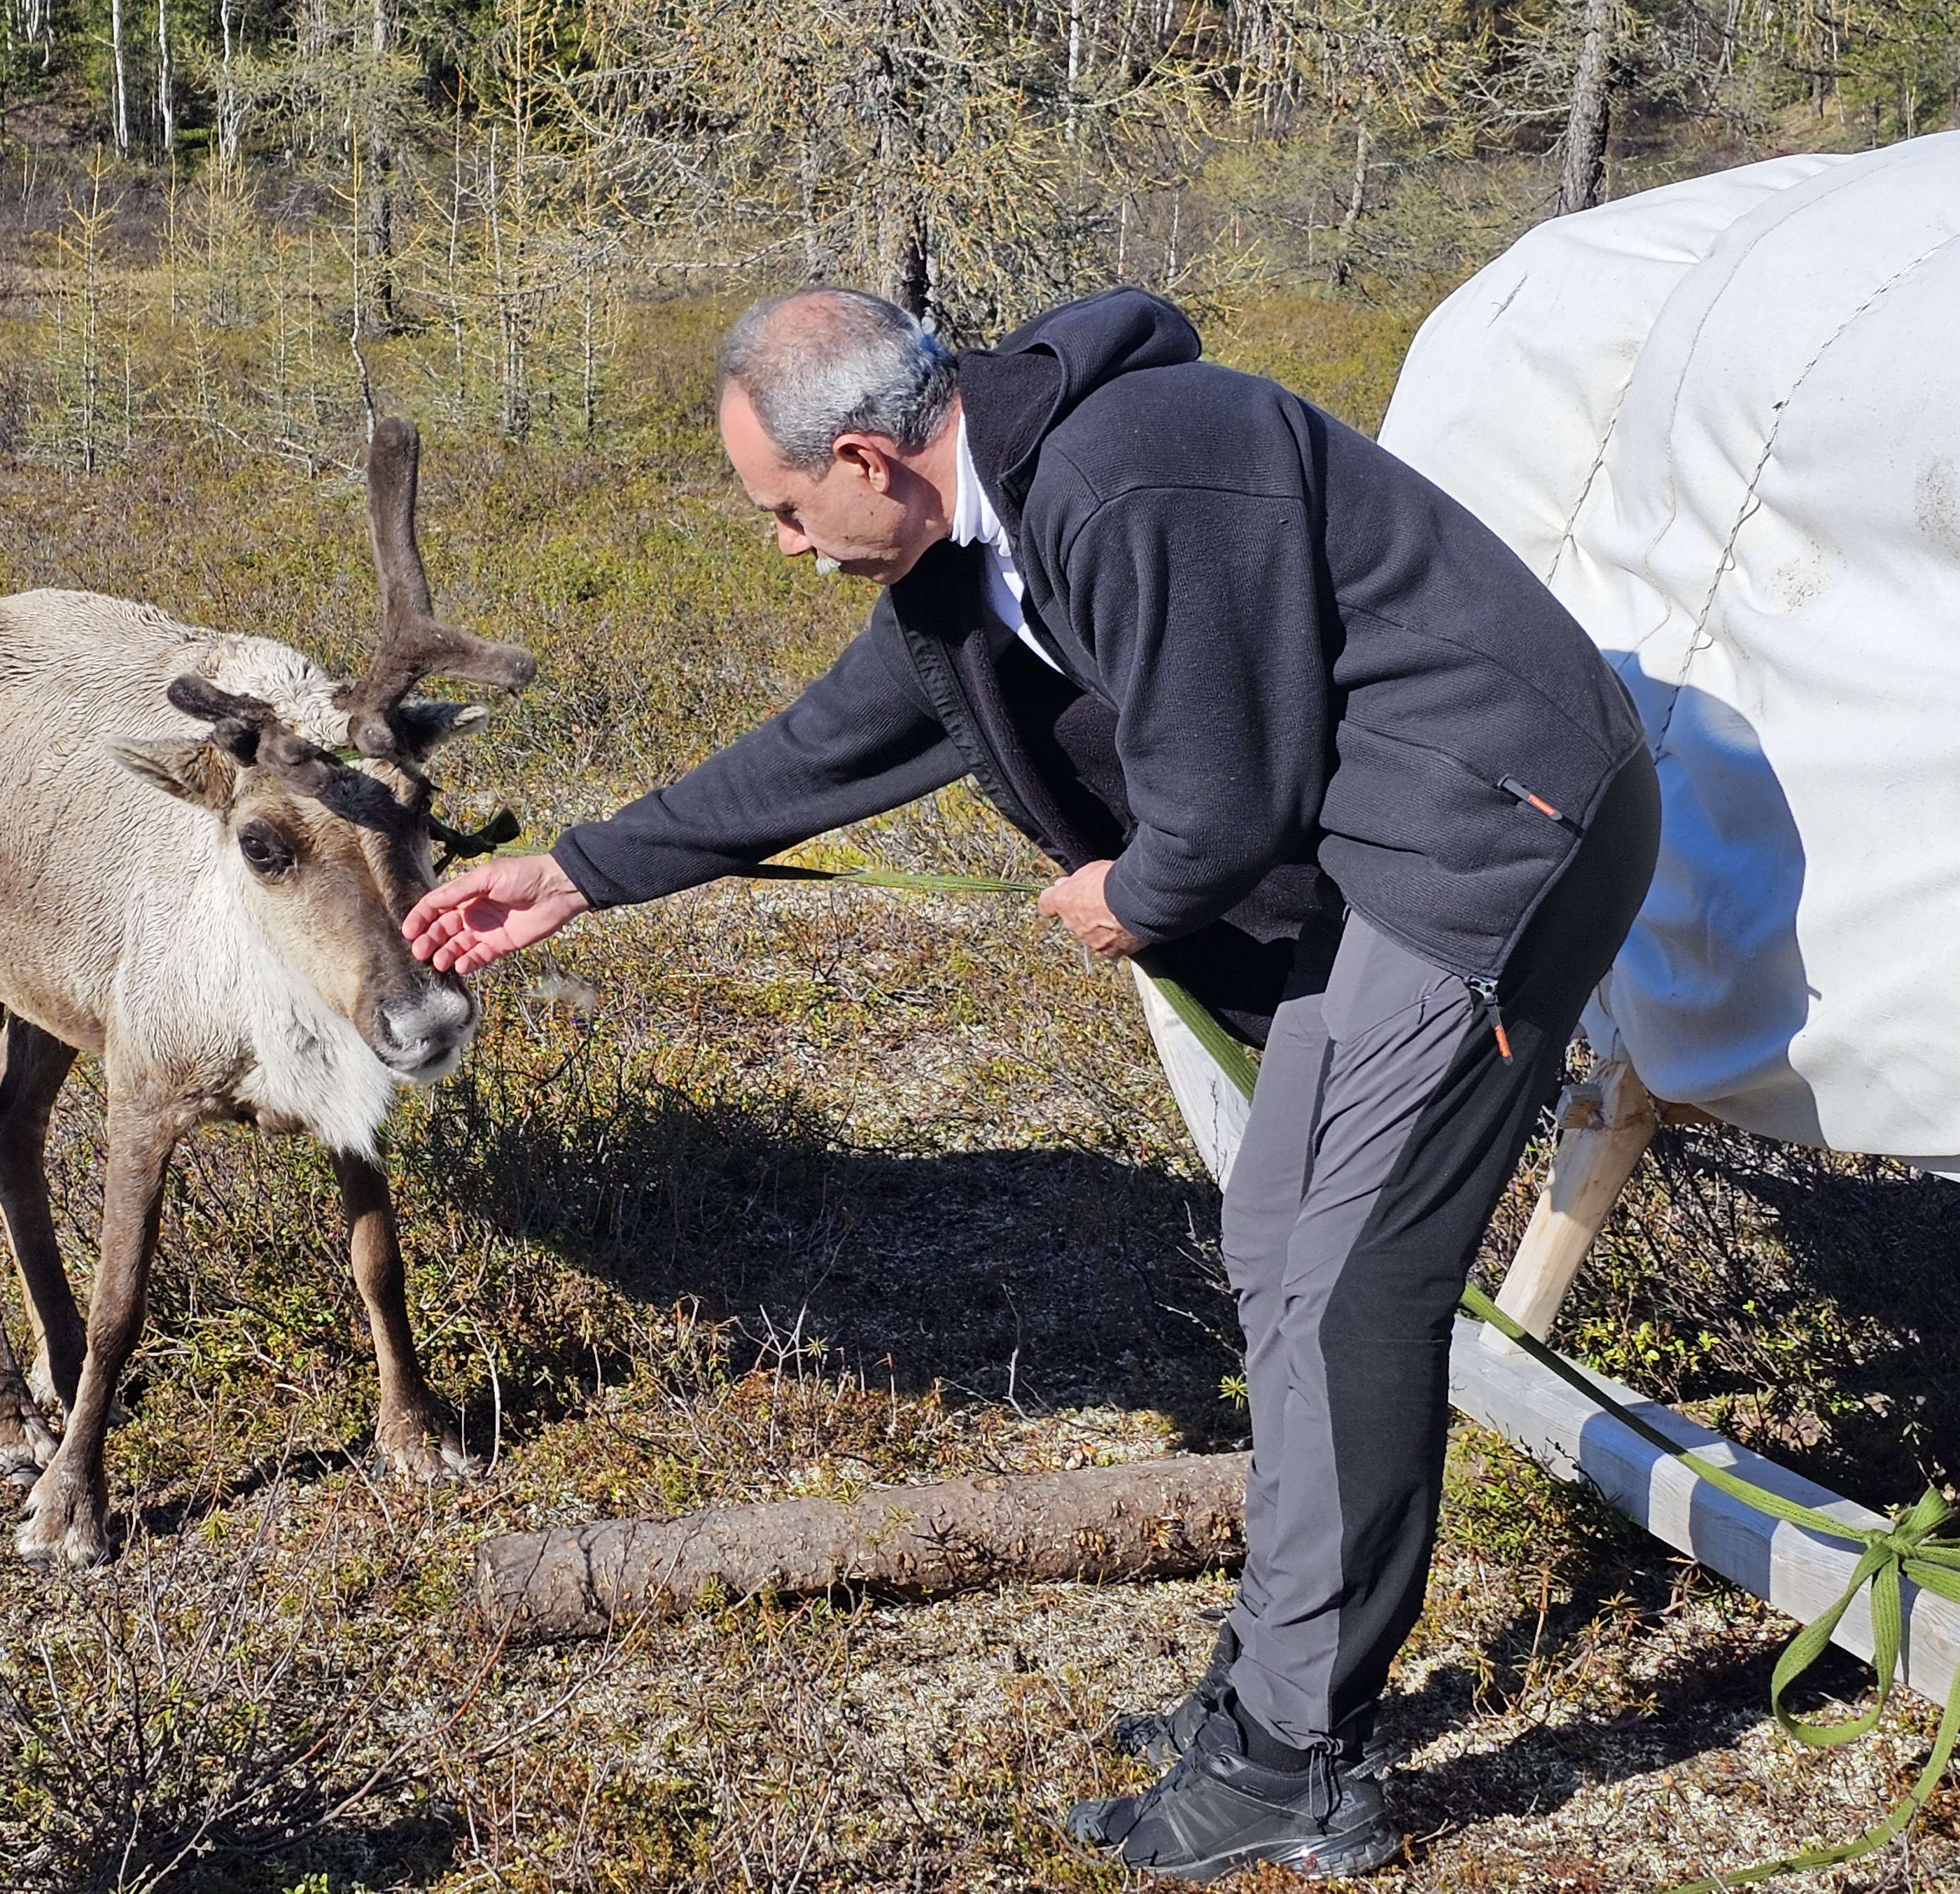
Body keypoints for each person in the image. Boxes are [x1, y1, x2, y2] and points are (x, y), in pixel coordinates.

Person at [402, 284, 1658, 1881]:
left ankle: (1293, 1759)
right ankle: (1275, 1685)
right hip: (1399, 840)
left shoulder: (1133, 474)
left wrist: (1133, 897)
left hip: (1495, 833)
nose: (780, 546)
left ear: (866, 457)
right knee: (1280, 1252)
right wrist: (576, 876)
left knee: (1341, 1290)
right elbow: (833, 745)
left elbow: (1228, 783)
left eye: (785, 513)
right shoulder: (969, 547)